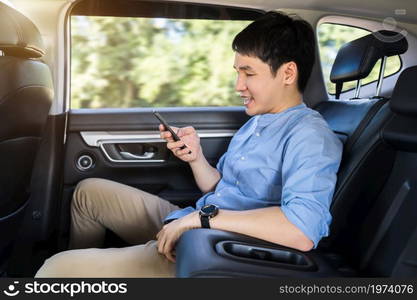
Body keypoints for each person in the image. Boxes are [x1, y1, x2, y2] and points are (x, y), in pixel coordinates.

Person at [35, 11, 342, 277]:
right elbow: (220, 189)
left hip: (215, 253)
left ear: (288, 72)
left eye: (249, 73)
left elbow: (302, 230)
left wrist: (202, 219)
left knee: (55, 270)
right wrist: (195, 158)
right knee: (88, 194)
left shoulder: (309, 136)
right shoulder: (257, 123)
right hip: (195, 224)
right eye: (237, 72)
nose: (238, 86)